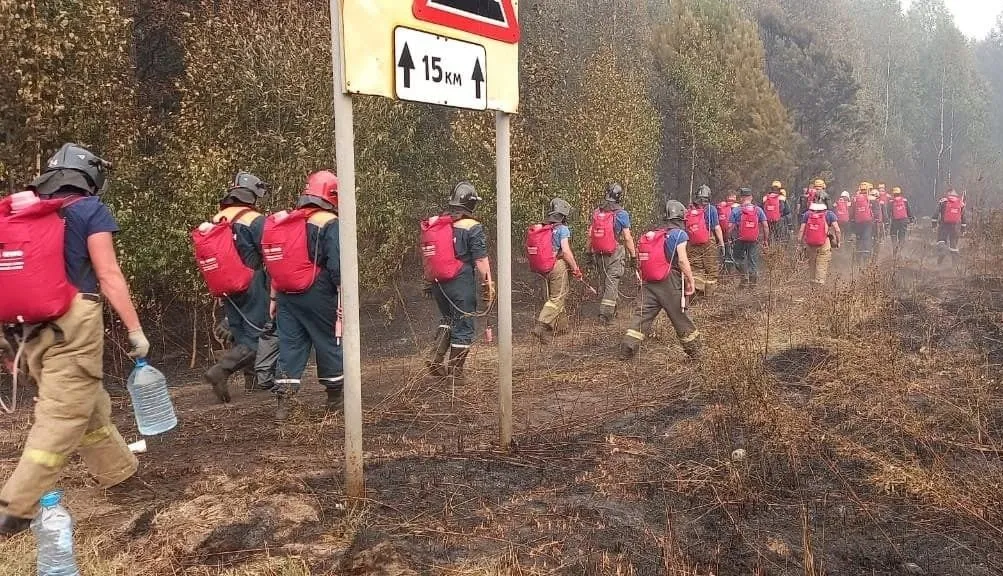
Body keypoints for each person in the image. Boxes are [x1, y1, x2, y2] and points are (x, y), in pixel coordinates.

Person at [0, 144, 149, 536]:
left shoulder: (23, 212)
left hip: (25, 327)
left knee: (86, 401)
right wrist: (135, 330)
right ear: (88, 176)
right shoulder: (89, 210)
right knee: (62, 416)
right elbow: (109, 274)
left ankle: (118, 473)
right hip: (73, 322)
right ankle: (14, 506)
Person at [262, 171, 344, 421]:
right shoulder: (329, 222)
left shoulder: (290, 220)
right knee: (329, 341)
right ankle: (334, 400)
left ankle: (283, 407)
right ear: (332, 195)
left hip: (286, 294)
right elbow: (337, 264)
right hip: (318, 293)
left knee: (291, 346)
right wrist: (344, 297)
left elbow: (277, 263)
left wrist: (274, 298)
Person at [199, 172, 277, 403]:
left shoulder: (217, 218)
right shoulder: (254, 220)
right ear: (253, 195)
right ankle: (221, 371)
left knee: (242, 332)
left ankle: (254, 384)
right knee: (260, 335)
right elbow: (270, 253)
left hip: (225, 285)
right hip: (251, 282)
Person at [421, 181, 494, 387]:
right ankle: (456, 372)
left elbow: (430, 254)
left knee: (448, 318)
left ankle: (436, 357)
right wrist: (489, 283)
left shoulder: (441, 223)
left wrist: (428, 280)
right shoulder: (472, 226)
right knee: (464, 324)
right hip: (460, 283)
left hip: (438, 282)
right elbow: (480, 260)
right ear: (471, 204)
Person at [619, 199, 701, 361]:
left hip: (649, 283)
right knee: (680, 316)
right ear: (680, 218)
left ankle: (627, 348)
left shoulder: (656, 234)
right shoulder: (679, 234)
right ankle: (696, 352)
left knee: (641, 316)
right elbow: (683, 261)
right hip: (669, 282)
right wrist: (691, 281)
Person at [530, 198, 583, 342]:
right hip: (557, 265)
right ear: (563, 214)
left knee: (552, 298)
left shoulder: (543, 227)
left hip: (542, 267)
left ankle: (562, 328)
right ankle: (541, 325)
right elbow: (565, 251)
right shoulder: (563, 229)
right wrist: (575, 268)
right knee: (557, 298)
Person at [587, 182, 636, 324]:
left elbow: (590, 235)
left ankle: (612, 311)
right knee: (612, 283)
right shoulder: (621, 214)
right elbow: (627, 237)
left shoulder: (597, 212)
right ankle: (605, 316)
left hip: (598, 253)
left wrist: (588, 253)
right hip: (615, 253)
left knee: (606, 282)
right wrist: (633, 256)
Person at [684, 185, 725, 297]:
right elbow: (716, 227)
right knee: (711, 269)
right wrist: (721, 244)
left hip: (692, 242)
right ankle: (708, 296)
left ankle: (696, 294)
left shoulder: (690, 209)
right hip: (708, 241)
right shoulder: (711, 209)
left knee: (695, 268)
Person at [798, 192, 842, 284]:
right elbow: (837, 230)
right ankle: (819, 292)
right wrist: (838, 242)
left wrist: (800, 244)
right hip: (824, 244)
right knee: (821, 268)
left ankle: (812, 290)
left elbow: (801, 230)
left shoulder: (807, 214)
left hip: (810, 244)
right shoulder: (829, 214)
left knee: (812, 268)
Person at [730, 187, 770, 287]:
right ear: (751, 197)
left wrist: (728, 238)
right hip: (753, 239)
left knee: (738, 258)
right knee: (752, 259)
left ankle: (744, 279)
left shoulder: (736, 210)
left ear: (741, 198)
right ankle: (753, 283)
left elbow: (730, 227)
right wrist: (765, 240)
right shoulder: (758, 210)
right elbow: (765, 226)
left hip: (739, 239)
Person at [932, 188, 966, 264]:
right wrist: (963, 230)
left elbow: (935, 214)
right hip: (955, 227)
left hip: (943, 226)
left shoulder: (943, 201)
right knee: (953, 246)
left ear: (948, 193)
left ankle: (939, 263)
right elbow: (964, 218)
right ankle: (955, 267)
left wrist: (934, 225)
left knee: (941, 242)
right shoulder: (961, 203)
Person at [849, 182, 877, 265]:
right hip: (868, 222)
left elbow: (851, 212)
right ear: (868, 189)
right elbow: (876, 212)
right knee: (867, 238)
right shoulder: (871, 198)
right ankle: (866, 258)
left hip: (858, 223)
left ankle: (858, 258)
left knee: (859, 239)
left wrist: (852, 221)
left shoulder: (855, 198)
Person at [716, 193, 738, 274]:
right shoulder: (737, 207)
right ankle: (730, 272)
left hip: (720, 235)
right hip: (732, 235)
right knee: (731, 254)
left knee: (723, 253)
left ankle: (722, 271)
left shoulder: (719, 206)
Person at [888, 187, 914, 255]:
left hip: (895, 221)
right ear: (900, 193)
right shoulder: (904, 200)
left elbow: (888, 212)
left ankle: (895, 245)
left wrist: (887, 221)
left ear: (893, 194)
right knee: (902, 235)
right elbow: (908, 211)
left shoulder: (891, 201)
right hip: (904, 220)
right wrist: (911, 219)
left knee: (893, 234)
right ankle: (900, 250)